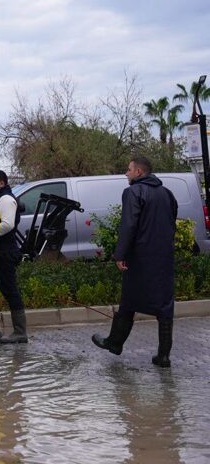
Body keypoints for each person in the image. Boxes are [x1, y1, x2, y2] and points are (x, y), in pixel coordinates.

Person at [92, 156, 178, 367]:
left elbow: (129, 225)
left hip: (140, 256)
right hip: (164, 256)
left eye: (129, 170)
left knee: (129, 299)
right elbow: (172, 219)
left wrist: (120, 254)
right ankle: (163, 355)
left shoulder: (133, 192)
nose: (126, 173)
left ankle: (114, 343)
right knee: (165, 305)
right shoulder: (167, 193)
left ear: (139, 172)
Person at [0, 170, 28, 344]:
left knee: (10, 291)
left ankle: (20, 332)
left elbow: (8, 224)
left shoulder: (5, 199)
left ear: (1, 184)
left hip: (5, 253)